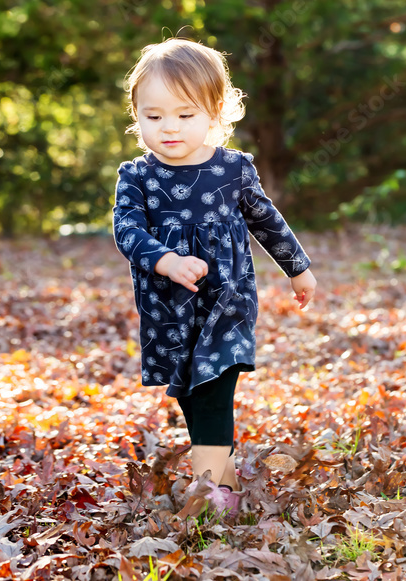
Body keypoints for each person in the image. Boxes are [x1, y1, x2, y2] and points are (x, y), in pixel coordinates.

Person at [111, 38, 316, 511]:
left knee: (212, 388)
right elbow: (126, 230)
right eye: (153, 115)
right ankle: (224, 481)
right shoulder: (137, 176)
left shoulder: (233, 169)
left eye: (185, 114)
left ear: (215, 111)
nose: (169, 128)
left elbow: (265, 219)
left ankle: (212, 493)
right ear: (137, 113)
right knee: (190, 391)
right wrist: (166, 260)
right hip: (168, 309)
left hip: (227, 301)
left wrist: (297, 267)